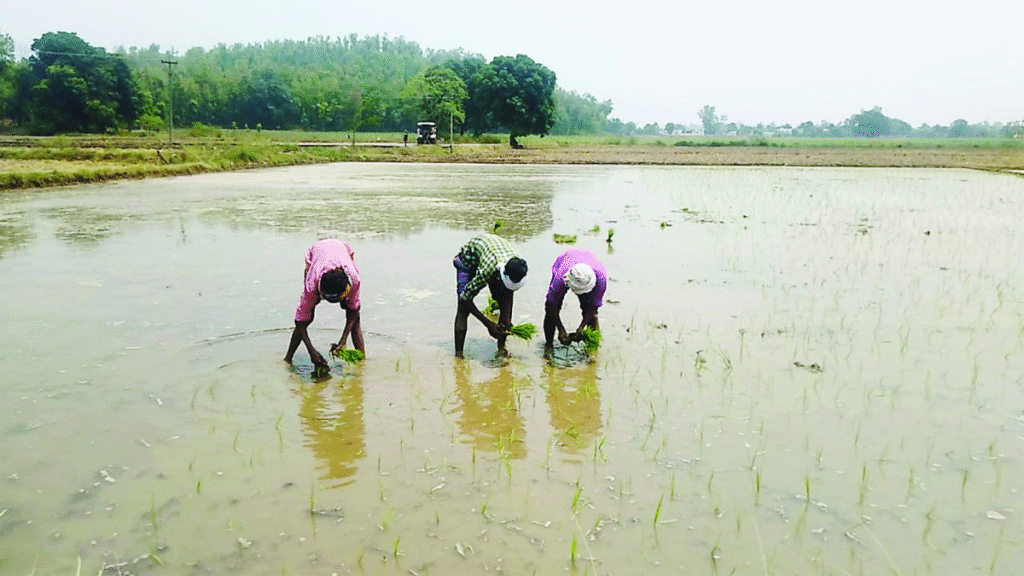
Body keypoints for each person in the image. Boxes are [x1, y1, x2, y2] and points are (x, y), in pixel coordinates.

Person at [284, 238, 364, 372]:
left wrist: (343, 341)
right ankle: (288, 359)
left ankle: (362, 360)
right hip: (316, 253)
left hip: (341, 249)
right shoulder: (311, 286)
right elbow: (299, 321)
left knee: (353, 313)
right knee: (307, 317)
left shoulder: (354, 281)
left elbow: (354, 311)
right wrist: (312, 352)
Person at [453, 234, 528, 357]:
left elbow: (508, 296)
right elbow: (465, 298)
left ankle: (501, 350)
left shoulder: (517, 267)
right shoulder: (488, 270)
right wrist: (488, 323)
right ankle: (459, 356)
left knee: (504, 300)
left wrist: (507, 321)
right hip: (467, 260)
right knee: (462, 308)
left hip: (493, 252)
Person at [543, 249, 607, 348]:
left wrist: (581, 328)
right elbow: (550, 306)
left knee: (591, 314)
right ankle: (548, 347)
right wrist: (561, 329)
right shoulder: (560, 279)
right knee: (551, 311)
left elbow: (593, 309)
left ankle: (593, 351)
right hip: (567, 258)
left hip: (588, 259)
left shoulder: (600, 281)